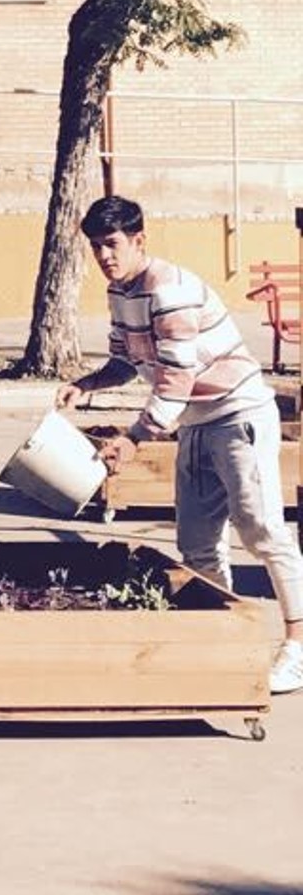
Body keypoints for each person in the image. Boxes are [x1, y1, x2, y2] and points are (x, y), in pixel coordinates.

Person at [57, 194, 303, 695]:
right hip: (194, 424)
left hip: (237, 415)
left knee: (262, 532)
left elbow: (176, 378)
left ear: (139, 240)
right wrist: (86, 384)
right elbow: (125, 363)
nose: (103, 255)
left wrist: (135, 439)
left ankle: (297, 647)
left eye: (112, 244)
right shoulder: (121, 291)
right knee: (197, 544)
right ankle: (226, 640)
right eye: (96, 246)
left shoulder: (170, 291)